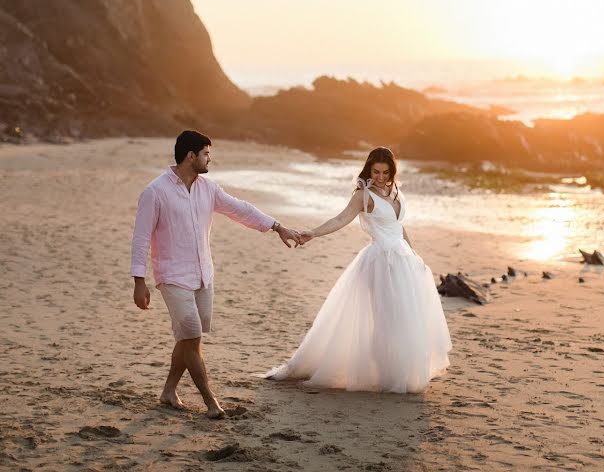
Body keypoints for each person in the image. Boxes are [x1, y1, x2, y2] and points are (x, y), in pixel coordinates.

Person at [131, 130, 301, 418]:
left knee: (188, 340)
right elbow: (140, 238)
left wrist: (277, 227)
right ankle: (211, 403)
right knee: (192, 336)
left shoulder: (208, 189)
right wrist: (139, 281)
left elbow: (240, 210)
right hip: (172, 276)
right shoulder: (155, 192)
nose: (210, 158)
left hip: (203, 275)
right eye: (207, 153)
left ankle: (168, 391)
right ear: (191, 156)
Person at [266, 146, 452, 393]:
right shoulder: (363, 196)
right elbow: (340, 219)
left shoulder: (395, 192)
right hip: (380, 263)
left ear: (392, 172)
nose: (381, 177)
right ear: (368, 169)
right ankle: (388, 376)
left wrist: (414, 254)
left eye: (386, 173)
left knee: (406, 319)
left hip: (404, 261)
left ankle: (403, 374)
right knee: (386, 319)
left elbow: (399, 226)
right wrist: (313, 233)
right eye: (376, 172)